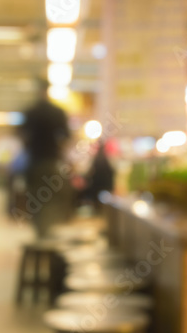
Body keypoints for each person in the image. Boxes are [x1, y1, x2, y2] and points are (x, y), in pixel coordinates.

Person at [17, 79, 71, 238]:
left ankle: (40, 232)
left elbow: (21, 135)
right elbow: (66, 137)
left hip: (34, 164)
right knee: (53, 200)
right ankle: (50, 232)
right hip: (52, 163)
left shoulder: (30, 112)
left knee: (35, 199)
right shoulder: (57, 112)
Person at [82, 142, 115, 209]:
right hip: (106, 185)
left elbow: (91, 171)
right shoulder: (106, 159)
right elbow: (111, 171)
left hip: (97, 184)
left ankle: (98, 209)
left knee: (98, 201)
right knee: (106, 202)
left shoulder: (96, 159)